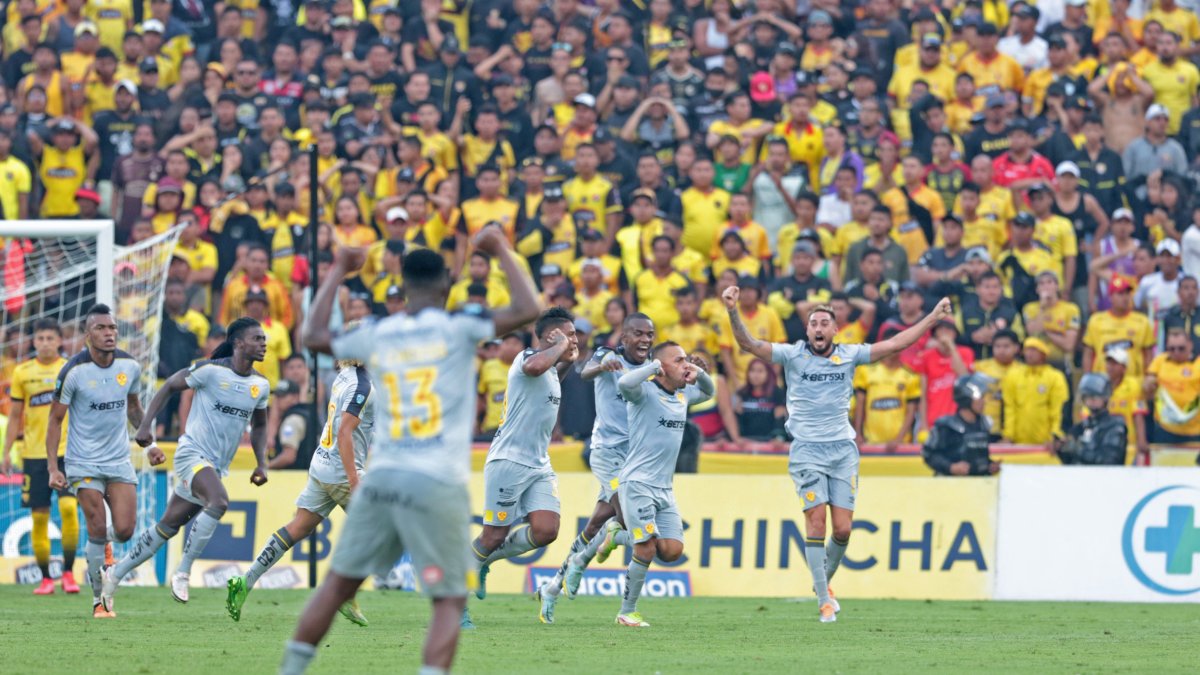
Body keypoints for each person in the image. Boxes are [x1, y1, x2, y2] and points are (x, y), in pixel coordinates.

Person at [279, 227, 539, 675]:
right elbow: (527, 309)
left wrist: (340, 268)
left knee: (338, 585)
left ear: (401, 283)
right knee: (448, 598)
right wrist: (499, 249)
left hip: (383, 477)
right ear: (445, 286)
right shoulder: (460, 326)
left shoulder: (379, 331)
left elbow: (313, 335)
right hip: (437, 480)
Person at [722, 284, 953, 622]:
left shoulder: (850, 354)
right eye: (813, 323)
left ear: (835, 329)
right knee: (816, 521)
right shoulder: (792, 355)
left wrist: (932, 317)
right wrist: (732, 310)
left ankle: (823, 584)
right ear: (807, 329)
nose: (818, 328)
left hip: (843, 451)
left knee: (842, 530)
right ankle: (823, 601)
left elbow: (896, 344)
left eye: (824, 323)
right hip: (806, 451)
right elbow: (748, 344)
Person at [101, 317, 270, 611]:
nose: (264, 343)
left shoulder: (260, 385)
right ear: (239, 343)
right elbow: (169, 386)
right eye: (257, 339)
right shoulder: (209, 371)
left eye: (264, 339)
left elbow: (260, 426)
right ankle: (183, 572)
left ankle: (114, 573)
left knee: (168, 526)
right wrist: (145, 426)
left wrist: (262, 463)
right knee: (218, 501)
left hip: (215, 466)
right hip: (191, 453)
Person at [228, 358, 376, 624]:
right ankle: (344, 592)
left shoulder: (343, 376)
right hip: (342, 471)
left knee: (298, 527)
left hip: (321, 464)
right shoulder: (361, 386)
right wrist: (355, 481)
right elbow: (344, 434)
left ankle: (244, 581)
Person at [46, 304, 157, 619]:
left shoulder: (129, 366)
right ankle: (99, 600)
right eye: (101, 328)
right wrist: (54, 468)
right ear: (87, 335)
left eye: (112, 328)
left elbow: (135, 409)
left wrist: (151, 447)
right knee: (96, 525)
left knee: (124, 530)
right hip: (82, 462)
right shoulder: (73, 371)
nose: (109, 334)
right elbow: (55, 421)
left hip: (118, 458)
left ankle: (101, 551)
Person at [471, 308, 579, 617]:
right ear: (550, 336)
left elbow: (549, 380)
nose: (574, 340)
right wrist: (560, 349)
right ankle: (457, 603)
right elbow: (534, 367)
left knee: (547, 530)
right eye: (569, 334)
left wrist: (566, 361)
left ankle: (484, 560)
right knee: (492, 536)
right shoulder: (526, 358)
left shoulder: (549, 369)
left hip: (538, 463)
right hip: (509, 460)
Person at [549, 313, 656, 613]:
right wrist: (603, 365)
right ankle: (582, 562)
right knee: (627, 519)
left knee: (598, 521)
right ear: (624, 338)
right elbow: (585, 372)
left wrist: (693, 369)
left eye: (650, 334)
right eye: (638, 333)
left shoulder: (652, 365)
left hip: (636, 457)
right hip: (608, 453)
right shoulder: (607, 355)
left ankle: (555, 584)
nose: (645, 339)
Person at [610, 341, 714, 627]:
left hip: (665, 489)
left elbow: (710, 391)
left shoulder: (682, 396)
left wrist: (698, 372)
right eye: (679, 360)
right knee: (645, 549)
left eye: (686, 360)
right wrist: (654, 366)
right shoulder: (644, 392)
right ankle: (626, 612)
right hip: (638, 483)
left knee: (671, 550)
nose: (685, 364)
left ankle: (616, 536)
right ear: (662, 367)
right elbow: (624, 383)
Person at [2, 319, 80, 595]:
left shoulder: (70, 369)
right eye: (40, 338)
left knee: (70, 510)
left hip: (67, 453)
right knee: (39, 517)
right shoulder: (23, 373)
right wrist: (6, 451)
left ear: (60, 341)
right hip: (34, 455)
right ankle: (47, 578)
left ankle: (69, 573)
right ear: (33, 342)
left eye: (50, 338)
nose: (45, 343)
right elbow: (14, 416)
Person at [922, 375, 1000, 476]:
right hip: (950, 486)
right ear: (966, 399)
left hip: (977, 486)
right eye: (980, 398)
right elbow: (929, 454)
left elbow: (977, 456)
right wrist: (951, 467)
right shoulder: (946, 426)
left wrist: (989, 465)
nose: (983, 402)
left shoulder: (984, 424)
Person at [1001, 337, 1069, 449]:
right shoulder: (1013, 375)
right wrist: (1008, 436)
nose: (1029, 354)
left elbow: (1058, 409)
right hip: (1018, 442)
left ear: (1043, 353)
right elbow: (1009, 407)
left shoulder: (1055, 377)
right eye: (1027, 349)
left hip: (1046, 443)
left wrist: (1055, 436)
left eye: (1034, 350)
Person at [1055, 373, 1128, 465]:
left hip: (1105, 478)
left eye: (1095, 396)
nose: (1091, 400)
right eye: (1087, 396)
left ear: (1105, 397)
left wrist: (1078, 450)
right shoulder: (1080, 427)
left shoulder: (1115, 426)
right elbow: (1070, 462)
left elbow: (1109, 462)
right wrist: (1062, 449)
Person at [1144, 329, 1200, 443]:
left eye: (1181, 348)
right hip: (1166, 430)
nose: (1176, 352)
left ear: (1190, 345)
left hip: (1194, 431)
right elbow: (1148, 381)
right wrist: (1149, 383)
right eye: (1171, 349)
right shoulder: (1160, 360)